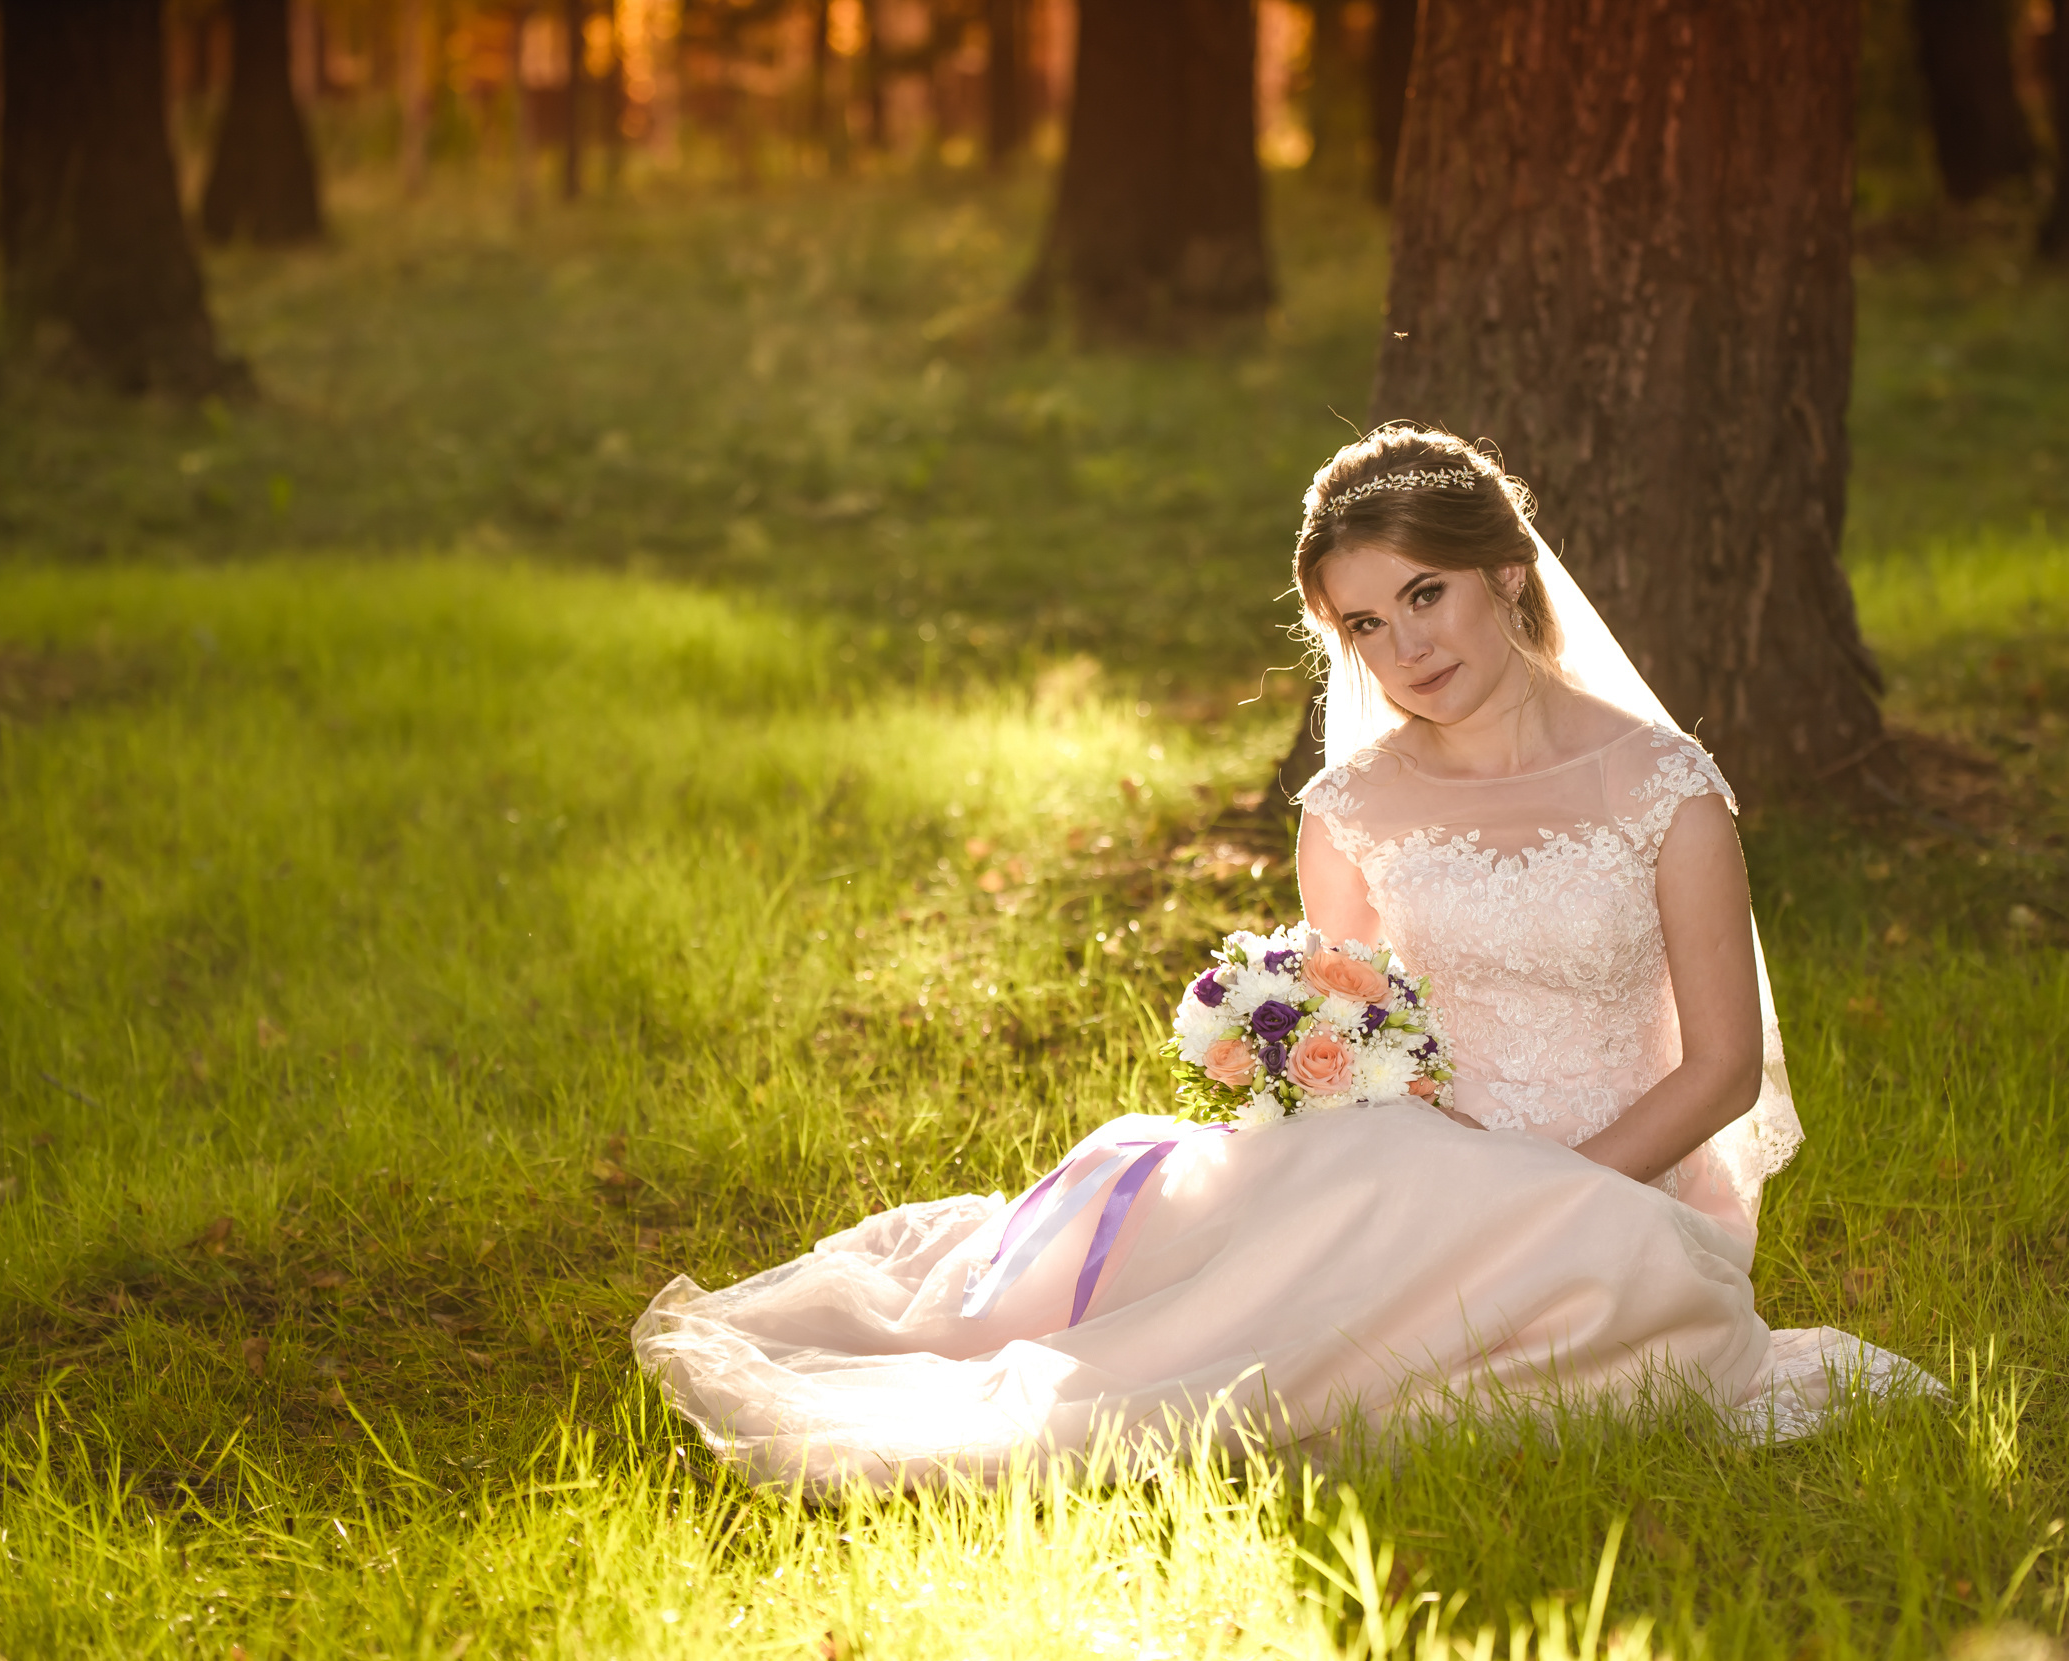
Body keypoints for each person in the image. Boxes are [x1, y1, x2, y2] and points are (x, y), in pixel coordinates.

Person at [631, 425, 1939, 1491]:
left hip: (1619, 1189)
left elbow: (1717, 1071)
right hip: (1410, 1164)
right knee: (1256, 1331)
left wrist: (1552, 1193)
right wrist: (1406, 1144)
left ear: (1507, 574)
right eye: (1365, 624)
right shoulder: (1353, 807)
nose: (1407, 644)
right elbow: (1355, 1036)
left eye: (1425, 592)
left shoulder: (1666, 790)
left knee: (1568, 1334)